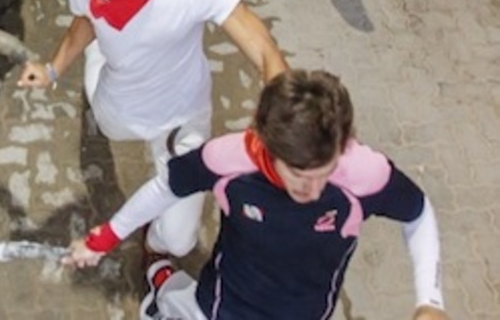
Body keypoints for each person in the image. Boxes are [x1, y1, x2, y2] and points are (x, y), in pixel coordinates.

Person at [18, 0, 288, 265]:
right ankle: (101, 60)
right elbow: (86, 23)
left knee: (178, 243)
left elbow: (263, 47)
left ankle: (155, 250)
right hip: (117, 103)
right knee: (101, 70)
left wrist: (284, 120)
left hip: (181, 118)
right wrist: (53, 69)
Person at [65, 69, 447, 320]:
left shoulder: (366, 172)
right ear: (266, 144)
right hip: (223, 307)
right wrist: (105, 237)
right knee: (175, 303)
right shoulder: (228, 158)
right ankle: (162, 283)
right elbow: (166, 187)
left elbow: (418, 213)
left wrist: (429, 300)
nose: (312, 190)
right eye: (299, 175)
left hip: (308, 314)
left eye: (324, 173)